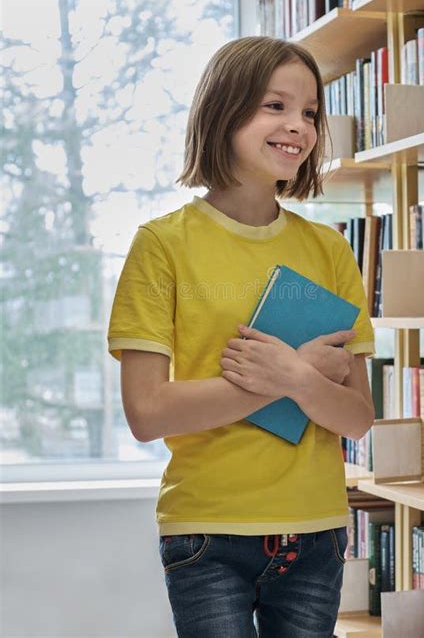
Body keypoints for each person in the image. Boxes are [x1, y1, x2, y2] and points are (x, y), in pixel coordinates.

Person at [108, 36, 376, 638]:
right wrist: (286, 381)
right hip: (207, 534)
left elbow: (357, 418)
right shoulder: (163, 244)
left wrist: (297, 377)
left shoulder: (329, 250)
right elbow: (148, 413)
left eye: (309, 112)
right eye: (274, 106)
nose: (298, 127)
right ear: (224, 111)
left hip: (318, 531)